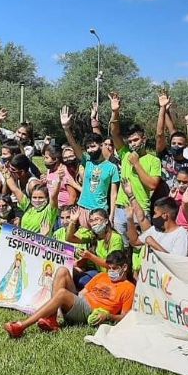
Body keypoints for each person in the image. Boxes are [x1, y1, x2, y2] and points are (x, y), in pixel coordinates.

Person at [3, 250, 135, 338]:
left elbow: (125, 317)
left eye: (114, 268)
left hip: (93, 311)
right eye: (109, 268)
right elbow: (82, 293)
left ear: (124, 268)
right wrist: (73, 299)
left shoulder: (129, 287)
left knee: (62, 293)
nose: (110, 271)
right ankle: (52, 318)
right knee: (62, 271)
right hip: (83, 302)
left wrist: (109, 316)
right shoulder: (102, 276)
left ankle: (21, 326)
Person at [109, 92, 162, 243]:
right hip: (121, 209)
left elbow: (152, 185)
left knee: (141, 245)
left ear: (143, 139)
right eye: (130, 141)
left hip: (140, 208)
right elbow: (114, 132)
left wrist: (136, 164)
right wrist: (115, 112)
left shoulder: (153, 160)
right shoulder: (125, 153)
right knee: (122, 246)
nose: (133, 144)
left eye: (136, 140)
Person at [61, 106, 119, 228]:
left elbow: (113, 194)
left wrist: (111, 215)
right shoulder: (87, 160)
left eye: (93, 146)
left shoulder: (112, 167)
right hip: (82, 208)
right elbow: (74, 144)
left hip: (99, 211)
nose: (90, 150)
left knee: (98, 238)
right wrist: (66, 128)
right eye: (87, 147)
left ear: (101, 145)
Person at [66, 207, 125, 287]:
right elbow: (69, 238)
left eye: (97, 219)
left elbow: (111, 265)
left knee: (81, 281)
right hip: (99, 273)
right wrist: (72, 221)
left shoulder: (115, 238)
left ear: (106, 221)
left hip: (113, 276)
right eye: (91, 221)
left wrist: (90, 256)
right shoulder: (92, 235)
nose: (94, 223)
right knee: (71, 273)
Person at [43, 145, 78, 210]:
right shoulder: (50, 170)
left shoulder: (63, 172)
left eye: (46, 158)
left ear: (55, 159)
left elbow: (73, 196)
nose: (44, 160)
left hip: (63, 209)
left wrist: (66, 211)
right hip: (52, 209)